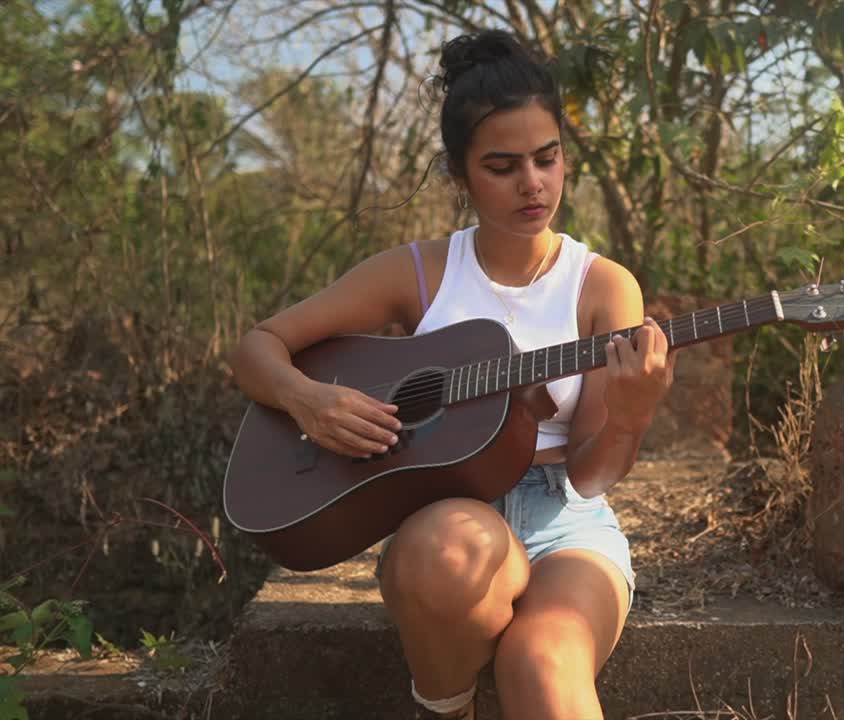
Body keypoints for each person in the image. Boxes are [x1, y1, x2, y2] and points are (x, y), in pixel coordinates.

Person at [227, 29, 675, 720]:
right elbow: (257, 347)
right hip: (445, 513)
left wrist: (632, 415)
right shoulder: (420, 272)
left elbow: (589, 477)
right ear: (459, 174)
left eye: (547, 158)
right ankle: (444, 706)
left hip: (566, 523)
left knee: (543, 662)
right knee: (446, 551)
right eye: (502, 166)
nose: (533, 183)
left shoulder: (603, 287)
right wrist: (310, 401)